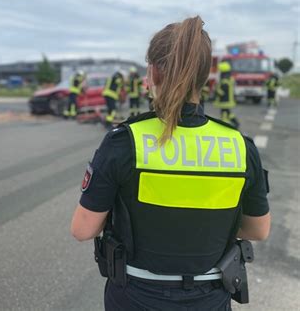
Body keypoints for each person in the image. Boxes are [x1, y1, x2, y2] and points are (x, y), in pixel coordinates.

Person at [71, 16, 270, 310]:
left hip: (137, 296)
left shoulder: (124, 141)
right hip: (210, 297)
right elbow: (258, 231)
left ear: (152, 72)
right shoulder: (240, 146)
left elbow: (83, 229)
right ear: (204, 78)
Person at [214, 61, 240, 128]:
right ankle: (235, 122)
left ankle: (225, 125)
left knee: (224, 114)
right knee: (228, 112)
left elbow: (222, 92)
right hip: (228, 100)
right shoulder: (230, 78)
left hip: (224, 101)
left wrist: (216, 89)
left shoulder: (224, 80)